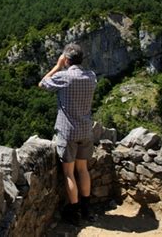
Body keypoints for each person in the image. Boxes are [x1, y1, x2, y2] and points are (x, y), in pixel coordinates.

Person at [38, 43, 97, 226]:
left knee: (70, 174)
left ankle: (74, 211)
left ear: (67, 60)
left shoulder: (64, 77)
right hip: (86, 131)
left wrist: (57, 66)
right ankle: (87, 209)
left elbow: (42, 83)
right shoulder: (91, 77)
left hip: (68, 132)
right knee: (83, 169)